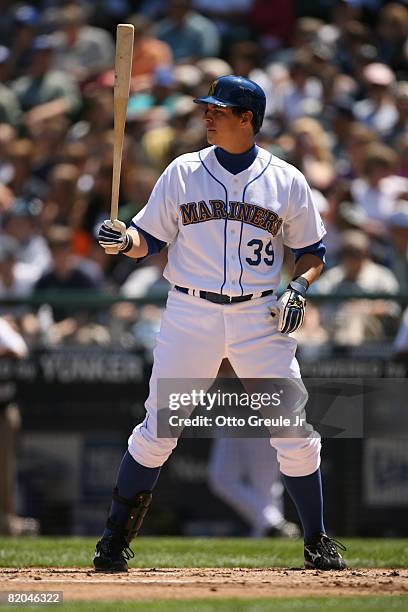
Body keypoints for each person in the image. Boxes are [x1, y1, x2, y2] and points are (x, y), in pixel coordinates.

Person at [96, 75, 347, 572]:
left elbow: (312, 252)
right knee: (159, 428)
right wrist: (123, 241)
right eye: (207, 107)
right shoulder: (183, 170)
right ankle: (112, 541)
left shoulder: (286, 179)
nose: (207, 114)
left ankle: (317, 541)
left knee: (293, 431)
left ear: (247, 118)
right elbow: (148, 239)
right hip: (191, 311)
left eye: (219, 109)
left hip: (258, 313)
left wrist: (299, 286)